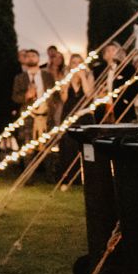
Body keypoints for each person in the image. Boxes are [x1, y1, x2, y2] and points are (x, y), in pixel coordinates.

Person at [57, 53, 95, 181]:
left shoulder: (89, 76)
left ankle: (86, 175)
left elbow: (89, 95)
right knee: (68, 144)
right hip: (69, 113)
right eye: (74, 62)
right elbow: (64, 98)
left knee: (85, 144)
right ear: (70, 64)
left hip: (85, 115)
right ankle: (70, 176)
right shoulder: (65, 77)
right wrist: (68, 82)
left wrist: (83, 78)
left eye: (79, 62)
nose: (77, 65)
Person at [12, 49, 56, 146]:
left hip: (46, 117)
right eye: (28, 56)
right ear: (25, 60)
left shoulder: (47, 76)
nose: (31, 58)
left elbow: (55, 94)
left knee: (47, 149)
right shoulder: (19, 78)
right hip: (28, 118)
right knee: (28, 149)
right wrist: (26, 96)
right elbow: (15, 97)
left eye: (33, 56)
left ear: (38, 59)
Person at [95, 41, 138, 123]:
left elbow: (137, 86)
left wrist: (125, 98)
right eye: (108, 51)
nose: (111, 53)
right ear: (104, 55)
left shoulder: (128, 68)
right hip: (102, 109)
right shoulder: (98, 70)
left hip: (122, 108)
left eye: (113, 50)